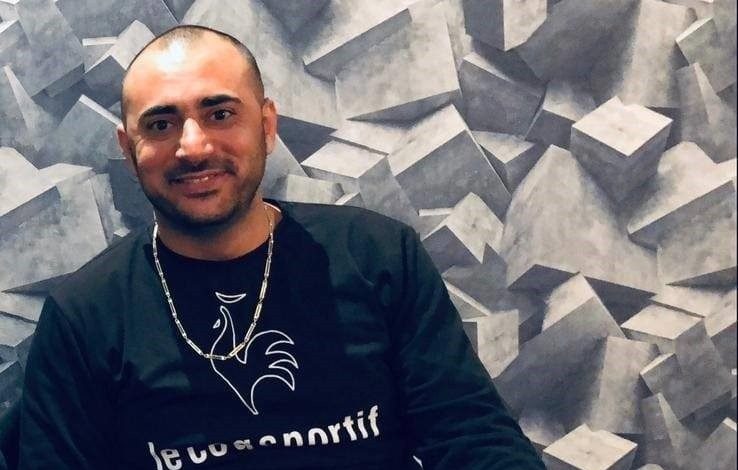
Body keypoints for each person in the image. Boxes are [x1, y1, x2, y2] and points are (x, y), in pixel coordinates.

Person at [17, 25, 545, 469]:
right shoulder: (85, 315)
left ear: (266, 126)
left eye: (220, 114)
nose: (193, 146)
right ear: (128, 150)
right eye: (161, 124)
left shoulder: (376, 256)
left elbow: (472, 436)